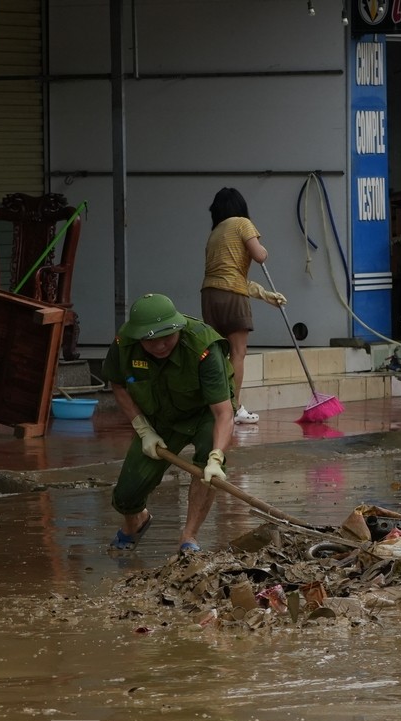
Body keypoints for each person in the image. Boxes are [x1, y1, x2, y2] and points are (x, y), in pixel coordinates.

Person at [102, 293, 235, 553]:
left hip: (204, 413)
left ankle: (189, 538)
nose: (161, 345)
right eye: (152, 340)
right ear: (139, 335)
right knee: (127, 492)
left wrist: (216, 458)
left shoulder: (203, 347)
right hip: (159, 416)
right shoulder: (125, 343)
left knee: (206, 469)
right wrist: (143, 429)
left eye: (167, 337)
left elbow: (223, 413)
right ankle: (136, 521)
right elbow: (118, 385)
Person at [200, 187, 285, 425]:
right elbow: (259, 256)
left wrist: (264, 294)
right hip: (232, 297)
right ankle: (233, 408)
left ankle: (216, 407)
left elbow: (228, 275)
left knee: (217, 354)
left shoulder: (215, 232)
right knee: (238, 352)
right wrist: (263, 249)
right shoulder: (243, 223)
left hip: (209, 295)